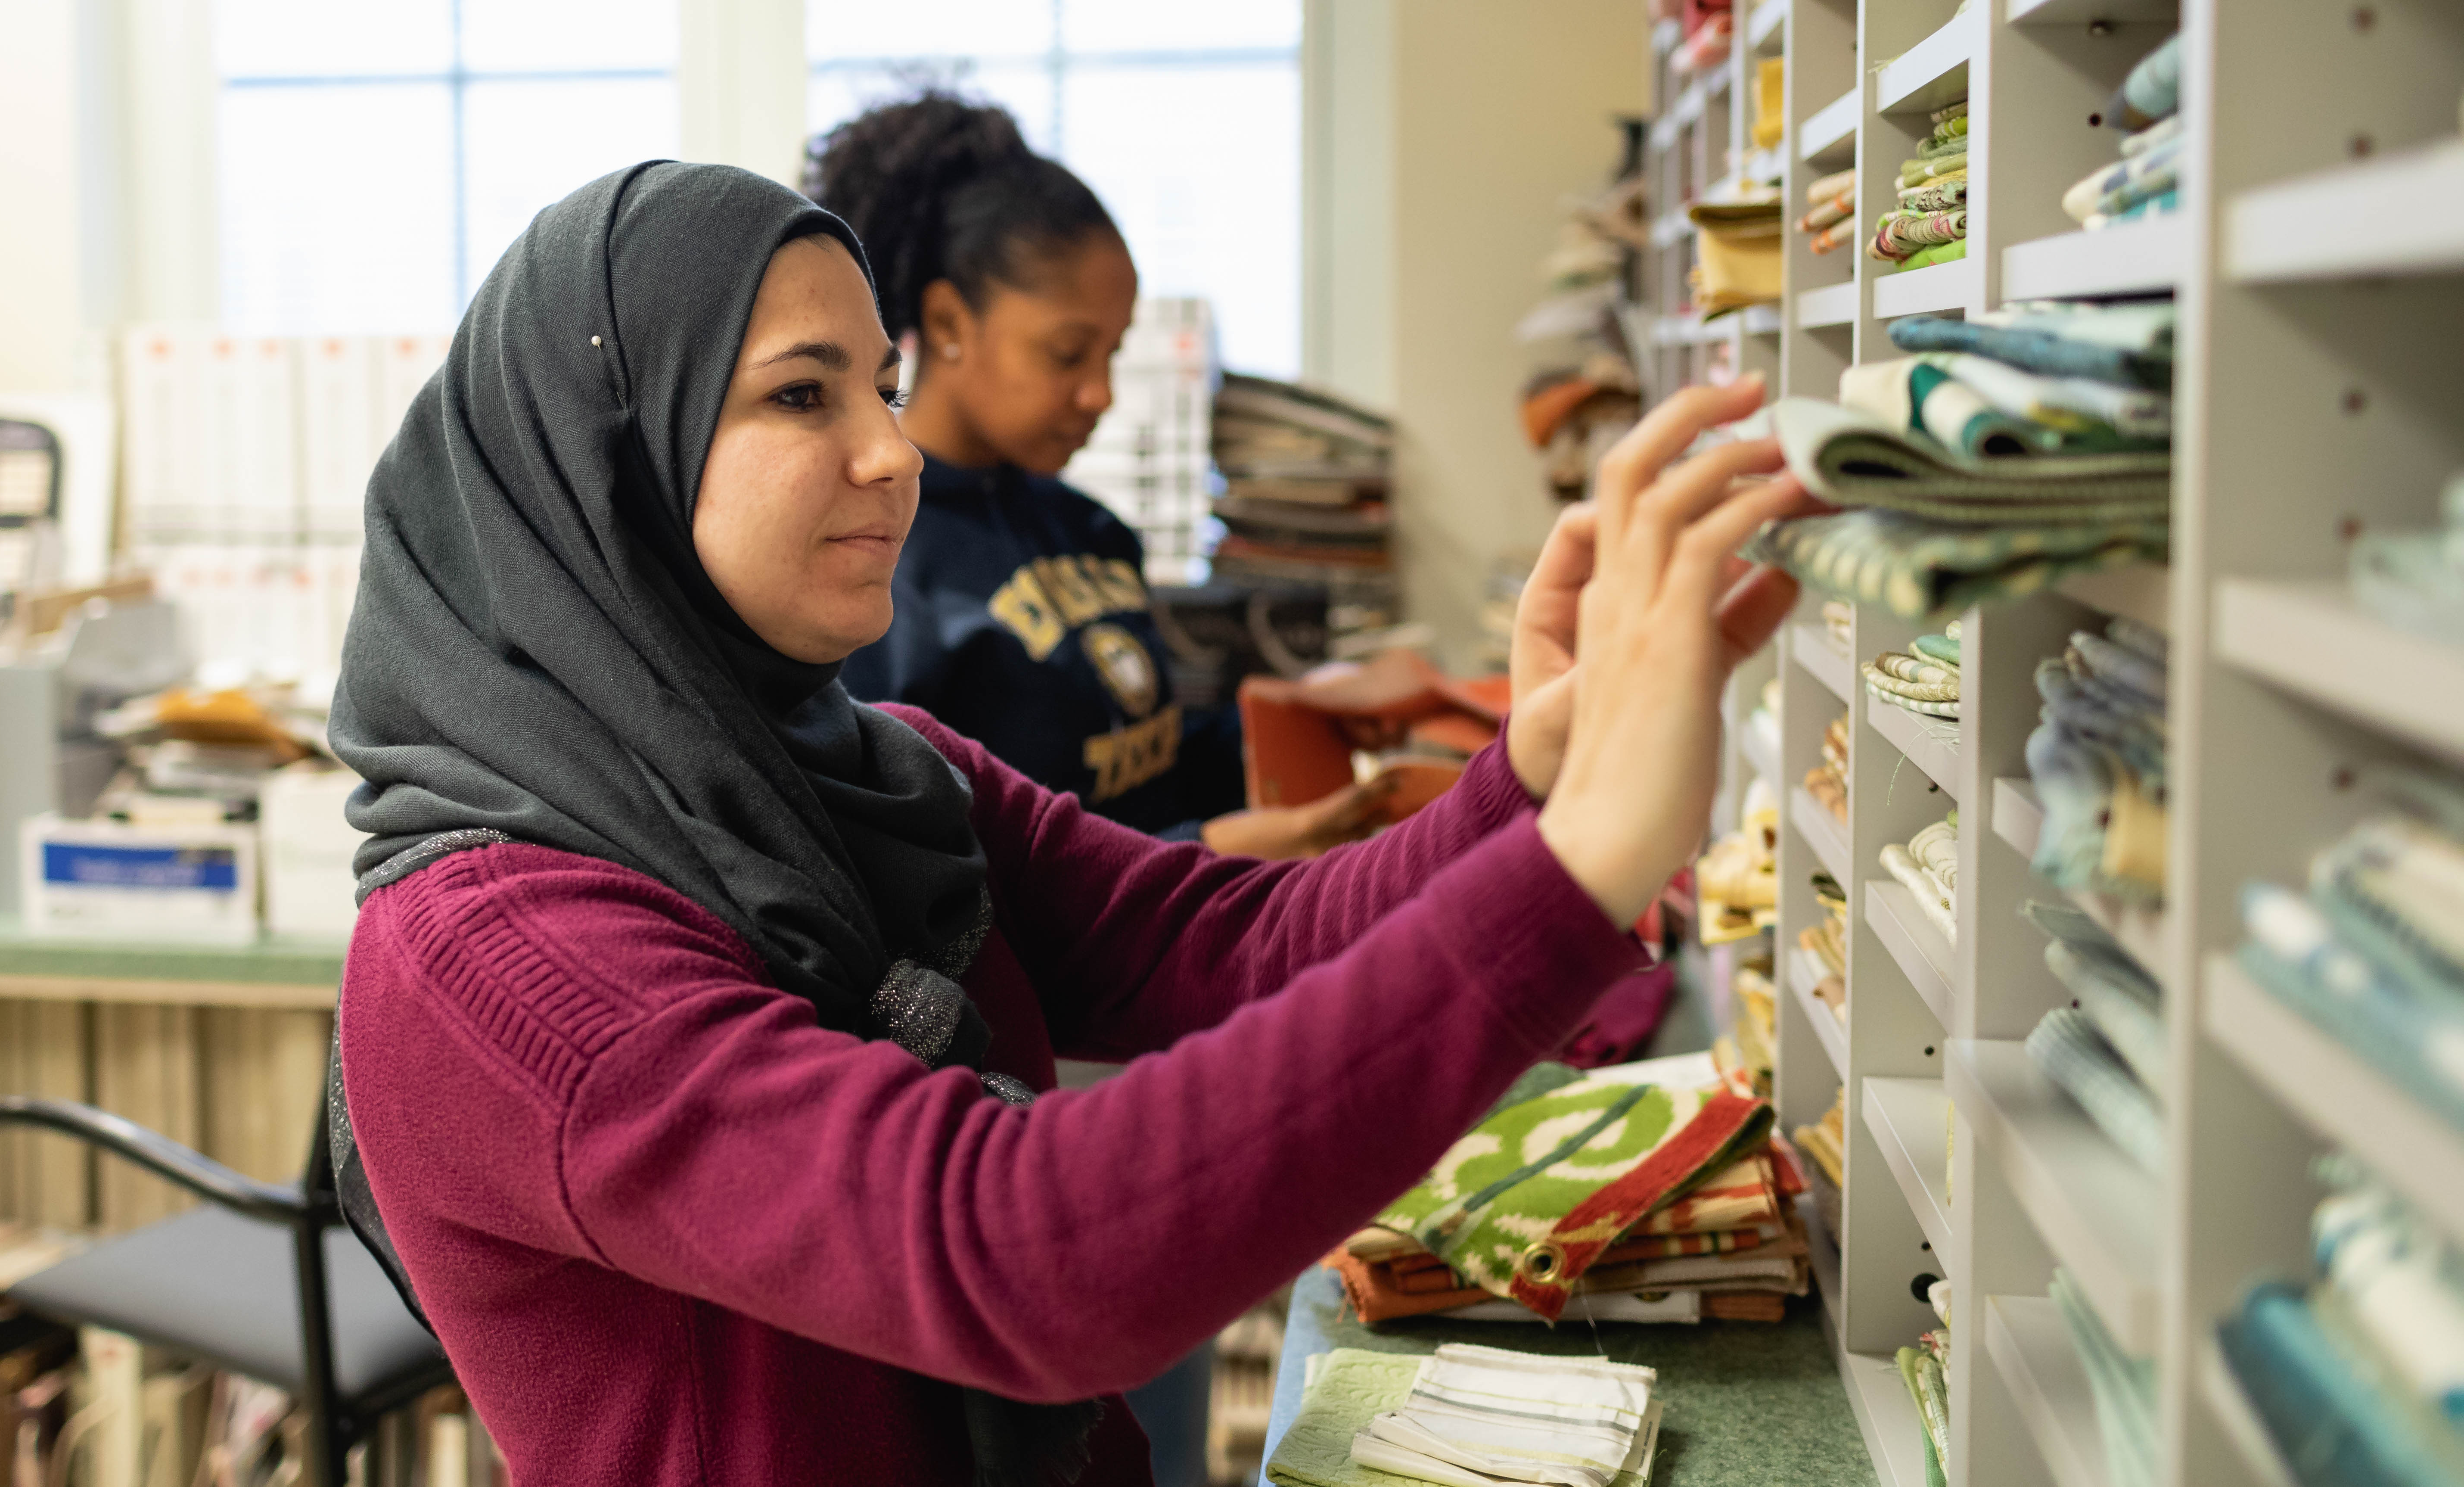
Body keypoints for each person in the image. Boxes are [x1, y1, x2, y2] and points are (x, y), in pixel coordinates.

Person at [327, 160, 1809, 1486]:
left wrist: (1533, 777)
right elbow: (1008, 1255)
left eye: (884, 385)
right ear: (610, 465)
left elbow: (1232, 942)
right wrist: (1576, 872)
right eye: (801, 394)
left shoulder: (880, 767)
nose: (893, 450)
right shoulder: (493, 952)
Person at [807, 93, 1387, 859]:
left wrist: (1303, 713)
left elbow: (1145, 750)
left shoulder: (1090, 528)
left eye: (1113, 354)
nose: (1101, 396)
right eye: (1067, 354)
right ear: (949, 324)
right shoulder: (882, 564)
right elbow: (928, 866)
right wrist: (1200, 848)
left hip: (1190, 923)